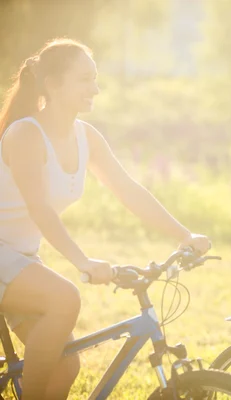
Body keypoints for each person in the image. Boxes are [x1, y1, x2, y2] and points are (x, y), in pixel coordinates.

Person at [0, 38, 211, 399]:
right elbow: (40, 208)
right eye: (85, 79)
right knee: (65, 298)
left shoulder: (86, 137)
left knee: (65, 367)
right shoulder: (26, 134)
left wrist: (184, 234)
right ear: (52, 84)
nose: (95, 88)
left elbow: (129, 191)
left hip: (21, 258)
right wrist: (83, 261)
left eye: (95, 78)